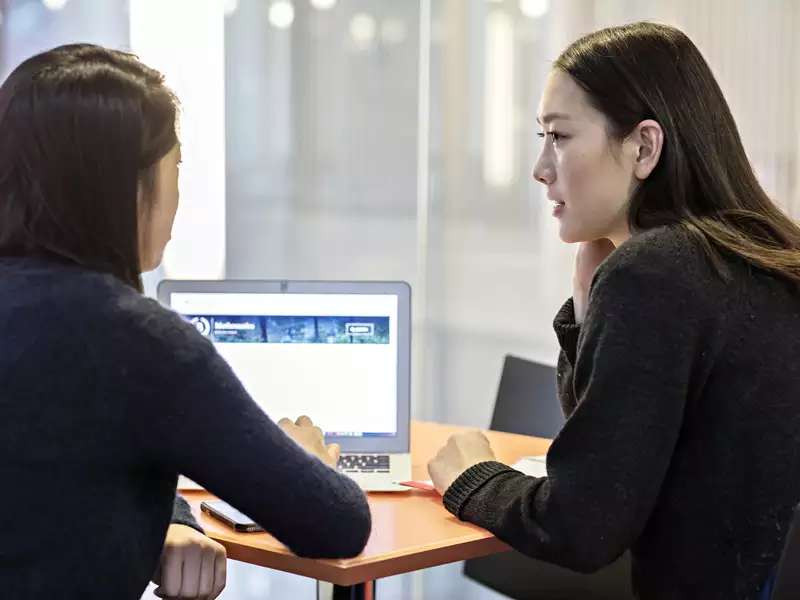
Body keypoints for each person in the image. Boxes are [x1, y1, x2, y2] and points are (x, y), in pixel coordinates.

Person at [428, 21, 800, 600]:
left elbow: (580, 527)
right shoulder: (756, 255)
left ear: (644, 147)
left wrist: (470, 478)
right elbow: (618, 462)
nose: (540, 167)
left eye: (559, 136)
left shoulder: (656, 271)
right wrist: (586, 308)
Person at [0, 44, 370, 600]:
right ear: (128, 185)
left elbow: (58, 469)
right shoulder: (139, 342)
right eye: (176, 167)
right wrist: (309, 459)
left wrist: (170, 515)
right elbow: (335, 523)